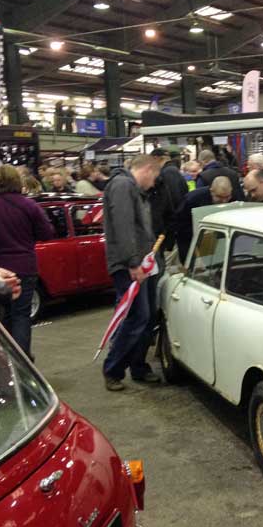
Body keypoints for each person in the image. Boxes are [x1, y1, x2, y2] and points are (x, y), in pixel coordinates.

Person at [102, 154, 163, 391]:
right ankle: (113, 369)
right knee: (137, 317)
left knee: (146, 317)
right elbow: (123, 226)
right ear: (147, 169)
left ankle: (138, 366)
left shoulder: (131, 189)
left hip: (140, 263)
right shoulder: (122, 186)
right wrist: (133, 262)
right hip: (129, 265)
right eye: (155, 176)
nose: (154, 183)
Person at [0, 164, 54, 357]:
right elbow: (47, 233)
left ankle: (4, 358)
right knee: (21, 315)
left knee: (0, 315)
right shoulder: (29, 206)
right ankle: (22, 360)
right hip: (24, 267)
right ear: (17, 181)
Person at [176, 176, 233, 261]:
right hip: (191, 239)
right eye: (219, 197)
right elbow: (180, 225)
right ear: (211, 191)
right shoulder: (192, 199)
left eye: (227, 197)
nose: (224, 201)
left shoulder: (233, 198)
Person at [148, 148, 188, 265]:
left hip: (172, 232)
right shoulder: (174, 172)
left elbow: (171, 203)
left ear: (156, 158)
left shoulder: (167, 174)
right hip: (177, 229)